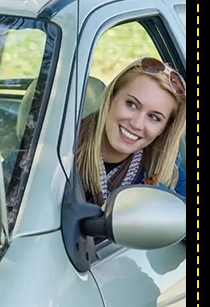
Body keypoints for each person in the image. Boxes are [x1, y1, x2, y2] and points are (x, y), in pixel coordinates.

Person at [76, 57, 186, 207]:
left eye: (154, 117)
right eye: (131, 104)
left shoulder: (165, 168)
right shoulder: (61, 147)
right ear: (112, 98)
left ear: (163, 129)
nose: (136, 124)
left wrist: (153, 196)